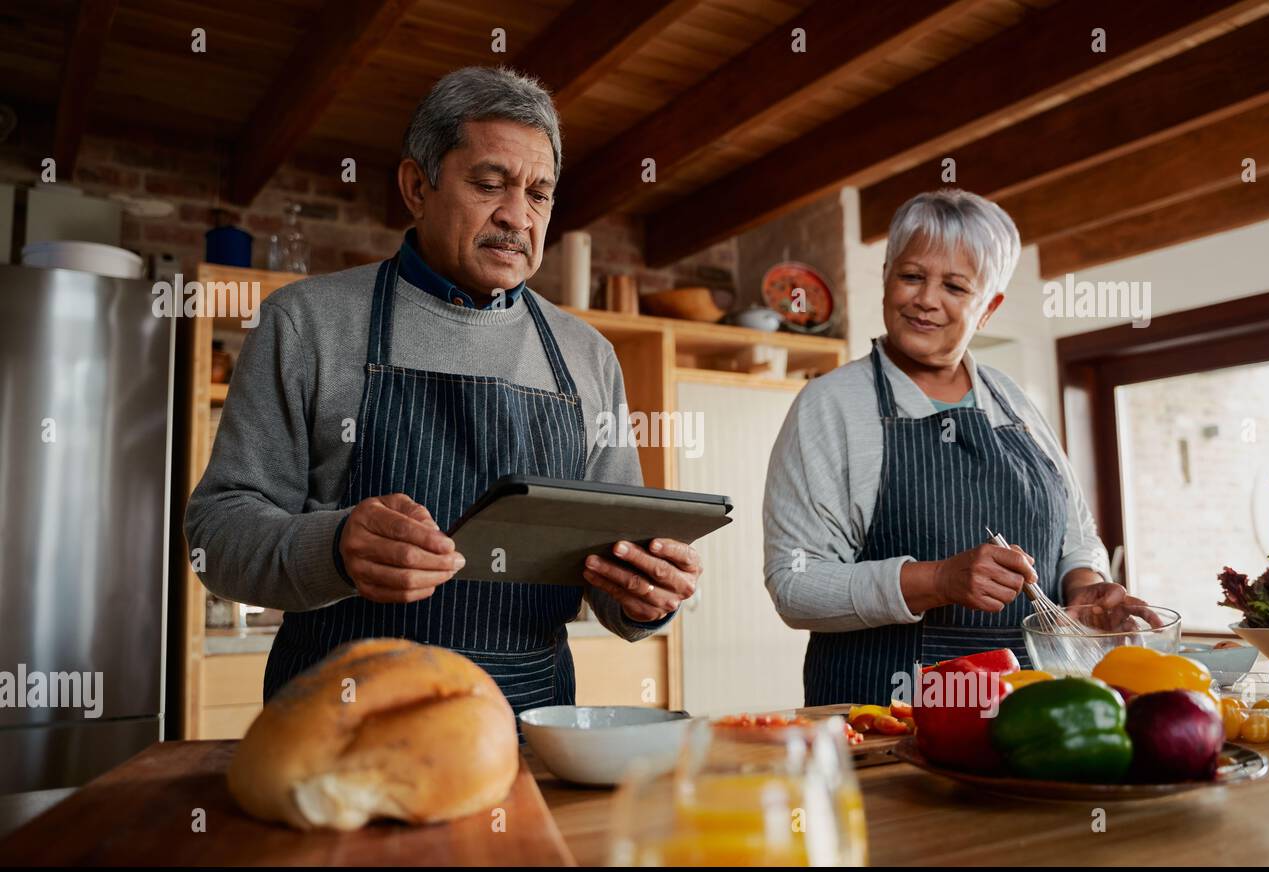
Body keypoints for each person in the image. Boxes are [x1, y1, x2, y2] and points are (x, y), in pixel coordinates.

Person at [185, 66, 701, 714]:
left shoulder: (586, 357)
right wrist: (336, 547)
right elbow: (218, 532)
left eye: (539, 193)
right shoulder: (307, 322)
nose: (517, 215)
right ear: (416, 186)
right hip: (341, 727)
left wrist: (643, 596)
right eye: (490, 183)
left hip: (524, 733)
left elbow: (610, 569)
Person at [762, 188, 1145, 706]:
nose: (926, 300)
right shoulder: (831, 406)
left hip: (1029, 714)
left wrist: (1084, 584)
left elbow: (1077, 536)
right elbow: (795, 586)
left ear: (988, 307)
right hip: (883, 720)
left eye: (956, 287)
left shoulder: (1016, 404)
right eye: (912, 276)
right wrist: (939, 579)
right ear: (886, 277)